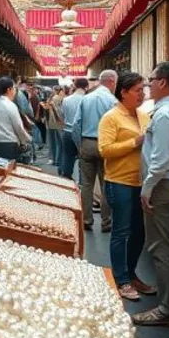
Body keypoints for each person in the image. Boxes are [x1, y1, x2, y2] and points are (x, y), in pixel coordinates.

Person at [133, 62, 169, 327]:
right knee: (159, 245)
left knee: (159, 246)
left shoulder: (165, 115)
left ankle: (166, 308)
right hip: (164, 182)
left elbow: (161, 159)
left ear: (163, 82)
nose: (147, 84)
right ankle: (167, 304)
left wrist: (148, 187)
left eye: (151, 79)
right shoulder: (168, 110)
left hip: (161, 185)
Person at [98, 72, 156, 301]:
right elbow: (105, 150)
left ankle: (131, 274)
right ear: (123, 92)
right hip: (119, 182)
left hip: (140, 181)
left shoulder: (144, 116)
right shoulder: (111, 118)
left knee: (139, 232)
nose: (142, 94)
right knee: (121, 231)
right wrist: (135, 142)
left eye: (144, 90)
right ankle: (121, 280)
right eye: (138, 90)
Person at [74, 69, 118, 232]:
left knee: (86, 184)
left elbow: (76, 124)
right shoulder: (112, 101)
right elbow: (116, 126)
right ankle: (106, 222)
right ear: (112, 81)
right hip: (106, 146)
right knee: (106, 184)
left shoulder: (86, 99)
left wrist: (80, 145)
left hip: (87, 143)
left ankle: (87, 220)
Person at [0, 77, 31, 161]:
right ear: (9, 89)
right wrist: (25, 140)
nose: (15, 91)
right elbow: (18, 127)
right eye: (14, 88)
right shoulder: (11, 105)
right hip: (9, 146)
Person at [59, 78, 87, 178]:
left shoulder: (66, 100)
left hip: (67, 132)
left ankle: (66, 183)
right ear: (86, 87)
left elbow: (62, 115)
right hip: (82, 133)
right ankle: (81, 185)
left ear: (74, 86)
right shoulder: (87, 99)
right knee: (83, 161)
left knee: (67, 158)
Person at [47, 87, 66, 165]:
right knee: (59, 143)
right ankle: (58, 160)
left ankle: (53, 159)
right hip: (59, 123)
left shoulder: (52, 99)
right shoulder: (62, 98)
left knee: (52, 142)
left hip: (51, 123)